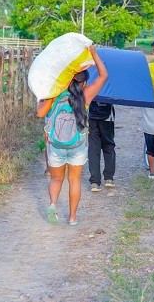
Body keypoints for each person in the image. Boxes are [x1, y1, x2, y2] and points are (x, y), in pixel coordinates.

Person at [36, 45, 107, 226]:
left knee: (56, 178)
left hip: (56, 145)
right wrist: (94, 54)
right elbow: (104, 76)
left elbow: (40, 114)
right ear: (83, 83)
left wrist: (43, 95)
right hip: (77, 146)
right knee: (74, 180)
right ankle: (73, 217)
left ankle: (53, 205)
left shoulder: (55, 94)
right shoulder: (86, 96)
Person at [87, 101, 116, 192]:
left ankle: (95, 182)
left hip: (92, 116)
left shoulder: (89, 85)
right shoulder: (109, 86)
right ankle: (109, 178)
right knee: (108, 146)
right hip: (107, 118)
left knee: (93, 149)